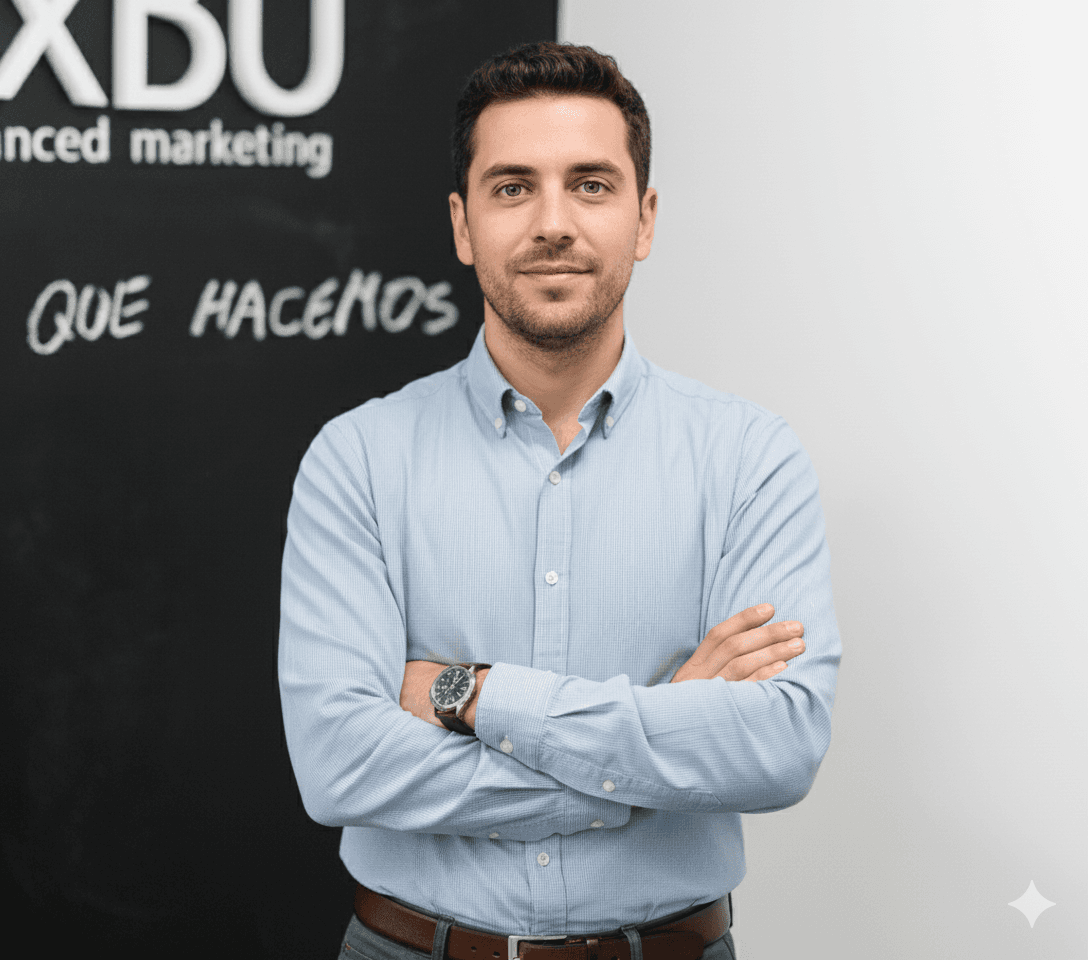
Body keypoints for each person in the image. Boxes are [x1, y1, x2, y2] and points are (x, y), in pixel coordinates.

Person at [279, 40, 841, 960]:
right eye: (512, 188)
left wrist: (474, 694)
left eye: (591, 185)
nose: (553, 223)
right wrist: (657, 742)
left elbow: (777, 747)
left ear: (644, 218)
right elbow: (341, 767)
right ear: (462, 225)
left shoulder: (749, 459)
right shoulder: (358, 460)